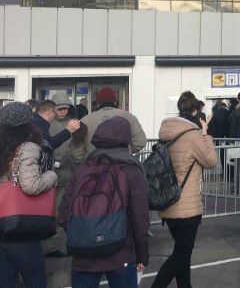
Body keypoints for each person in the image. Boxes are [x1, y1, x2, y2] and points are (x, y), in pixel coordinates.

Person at [59, 117, 150, 288]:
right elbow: (140, 218)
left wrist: (85, 233)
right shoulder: (131, 170)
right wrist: (142, 255)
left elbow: (64, 213)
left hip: (83, 257)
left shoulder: (82, 169)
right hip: (120, 254)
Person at [151, 94, 217, 288]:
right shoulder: (193, 135)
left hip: (168, 199)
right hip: (187, 205)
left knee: (183, 252)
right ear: (196, 111)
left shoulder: (167, 132)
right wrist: (205, 134)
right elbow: (211, 161)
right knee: (182, 253)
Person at [0, 102, 58, 288]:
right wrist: (51, 175)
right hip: (20, 228)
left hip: (1, 228)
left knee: (5, 280)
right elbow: (31, 185)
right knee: (35, 279)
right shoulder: (27, 147)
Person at [43, 92, 80, 257]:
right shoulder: (47, 125)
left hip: (69, 172)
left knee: (68, 211)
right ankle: (50, 247)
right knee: (54, 213)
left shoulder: (74, 123)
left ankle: (64, 245)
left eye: (66, 108)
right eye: (60, 109)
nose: (63, 111)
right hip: (52, 173)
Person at [71, 87, 146, 164]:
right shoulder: (129, 117)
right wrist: (127, 152)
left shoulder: (85, 120)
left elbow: (76, 149)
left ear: (98, 104)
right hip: (122, 165)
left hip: (94, 165)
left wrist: (87, 161)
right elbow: (140, 142)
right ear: (115, 102)